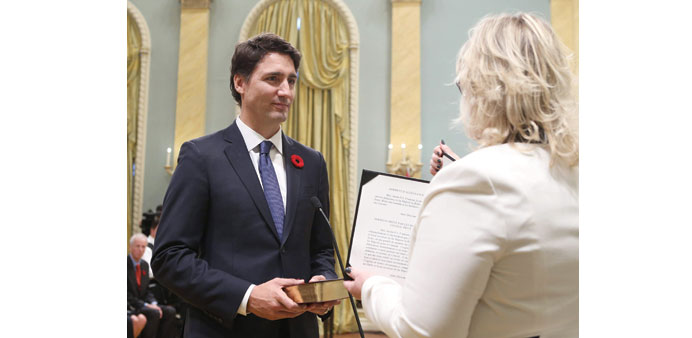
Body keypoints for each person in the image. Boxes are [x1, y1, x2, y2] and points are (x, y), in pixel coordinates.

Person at [344, 12, 579, 338]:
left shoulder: (474, 181)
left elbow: (421, 331)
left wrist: (373, 286)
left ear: (480, 89)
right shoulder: (573, 172)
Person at [152, 33, 339, 338]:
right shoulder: (202, 157)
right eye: (273, 79)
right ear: (240, 83)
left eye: (291, 81)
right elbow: (169, 257)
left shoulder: (312, 162)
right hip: (224, 329)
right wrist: (247, 297)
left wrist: (323, 279)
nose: (286, 92)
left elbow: (320, 248)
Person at [128, 234, 178, 338]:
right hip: (132, 305)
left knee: (170, 311)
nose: (141, 249)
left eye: (143, 247)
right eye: (138, 246)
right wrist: (146, 305)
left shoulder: (144, 265)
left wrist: (154, 303)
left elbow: (147, 290)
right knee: (154, 313)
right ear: (130, 247)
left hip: (144, 303)